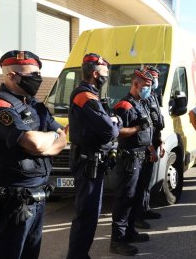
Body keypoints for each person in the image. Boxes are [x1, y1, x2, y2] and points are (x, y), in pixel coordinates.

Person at [0, 50, 67, 258]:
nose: (38, 79)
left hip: (38, 196)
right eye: (32, 75)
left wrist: (44, 145)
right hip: (14, 200)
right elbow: (32, 141)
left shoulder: (35, 106)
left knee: (32, 252)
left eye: (39, 74)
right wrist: (45, 141)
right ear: (11, 76)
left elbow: (64, 138)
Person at [67, 53, 124, 258]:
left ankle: (81, 254)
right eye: (104, 73)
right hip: (88, 162)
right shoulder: (86, 96)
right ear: (94, 73)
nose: (106, 77)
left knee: (91, 213)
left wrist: (113, 122)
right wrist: (116, 122)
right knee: (86, 214)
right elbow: (109, 129)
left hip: (93, 161)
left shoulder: (92, 95)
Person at [110, 67, 157, 255]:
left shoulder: (142, 102)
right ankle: (117, 241)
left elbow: (149, 129)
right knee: (124, 199)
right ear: (135, 84)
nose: (148, 90)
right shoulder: (125, 106)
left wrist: (151, 147)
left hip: (142, 155)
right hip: (129, 159)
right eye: (145, 86)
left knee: (134, 198)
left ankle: (129, 232)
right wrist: (137, 128)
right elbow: (117, 131)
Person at [134, 66, 165, 229]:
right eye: (152, 78)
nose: (155, 81)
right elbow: (146, 124)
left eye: (155, 79)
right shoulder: (143, 98)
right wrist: (151, 145)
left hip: (154, 140)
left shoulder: (153, 96)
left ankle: (145, 208)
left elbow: (156, 122)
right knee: (141, 182)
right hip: (146, 144)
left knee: (147, 180)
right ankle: (138, 214)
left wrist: (161, 141)